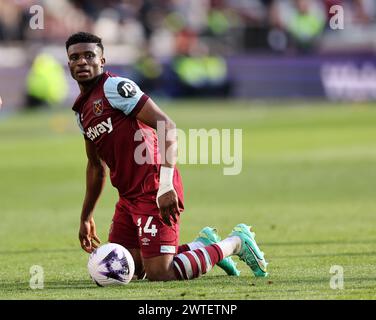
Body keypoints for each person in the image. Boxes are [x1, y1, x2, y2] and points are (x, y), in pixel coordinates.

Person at [66, 32, 268, 281]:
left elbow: (166, 125)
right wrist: (86, 217)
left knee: (161, 273)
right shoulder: (81, 113)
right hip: (128, 197)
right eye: (75, 57)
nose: (82, 62)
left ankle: (236, 243)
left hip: (153, 187)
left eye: (89, 55)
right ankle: (204, 245)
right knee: (131, 268)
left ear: (102, 60)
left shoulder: (114, 87)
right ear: (69, 64)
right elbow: (96, 167)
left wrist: (165, 185)